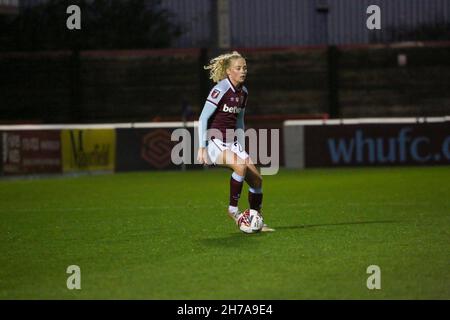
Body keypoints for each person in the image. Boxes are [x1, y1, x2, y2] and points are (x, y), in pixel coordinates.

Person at [197, 51, 274, 232]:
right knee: (240, 166)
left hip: (232, 143)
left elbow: (239, 120)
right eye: (238, 68)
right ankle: (233, 210)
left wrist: (241, 145)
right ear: (229, 72)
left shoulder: (243, 92)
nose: (243, 71)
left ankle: (255, 220)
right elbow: (202, 119)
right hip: (216, 142)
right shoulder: (220, 89)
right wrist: (201, 148)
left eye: (245, 68)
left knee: (257, 180)